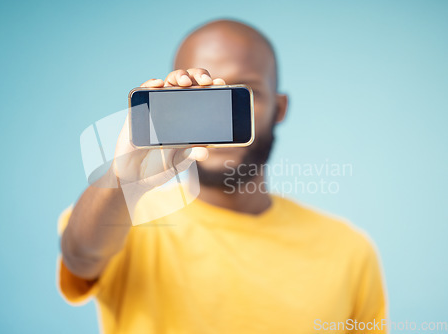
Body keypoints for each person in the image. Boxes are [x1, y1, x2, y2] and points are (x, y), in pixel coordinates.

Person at [57, 19, 387, 334]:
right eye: (200, 98)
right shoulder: (125, 216)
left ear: (279, 108)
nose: (220, 116)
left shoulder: (350, 251)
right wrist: (124, 179)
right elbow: (80, 254)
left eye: (246, 93)